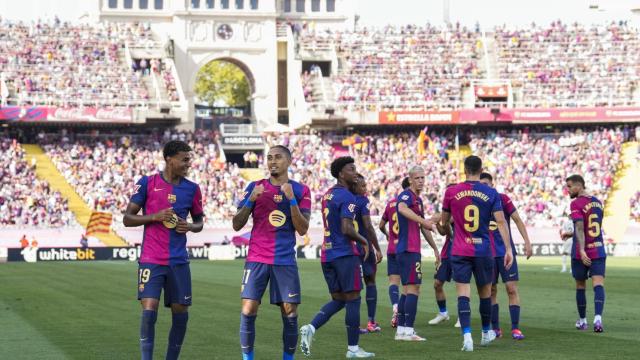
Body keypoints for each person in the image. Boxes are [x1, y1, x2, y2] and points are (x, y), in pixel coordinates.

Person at [123, 140, 204, 360]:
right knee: (149, 308)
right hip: (151, 259)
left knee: (180, 310)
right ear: (169, 158)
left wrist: (189, 226)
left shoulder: (192, 189)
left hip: (178, 261)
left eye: (190, 159)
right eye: (184, 159)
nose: (188, 163)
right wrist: (154, 217)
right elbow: (127, 218)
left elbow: (199, 223)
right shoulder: (148, 183)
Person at [232, 145, 311, 360]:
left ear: (288, 161)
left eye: (277, 157)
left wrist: (291, 199)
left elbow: (303, 229)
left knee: (290, 313)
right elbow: (237, 224)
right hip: (256, 258)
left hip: (284, 260)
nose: (272, 161)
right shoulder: (255, 186)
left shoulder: (301, 190)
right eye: (269, 158)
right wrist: (251, 200)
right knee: (248, 310)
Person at [299, 156, 375, 358]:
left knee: (339, 299)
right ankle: (353, 349)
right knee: (353, 299)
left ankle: (311, 327)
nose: (355, 174)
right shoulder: (348, 197)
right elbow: (347, 228)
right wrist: (365, 241)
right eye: (352, 169)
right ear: (342, 173)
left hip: (327, 254)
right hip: (345, 254)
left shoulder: (327, 195)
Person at [440, 155, 513, 352]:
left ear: (464, 170)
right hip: (483, 250)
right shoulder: (491, 193)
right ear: (481, 170)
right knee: (485, 294)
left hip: (460, 249)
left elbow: (444, 223)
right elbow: (500, 222)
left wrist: (445, 230)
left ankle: (467, 337)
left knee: (463, 293)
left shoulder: (451, 192)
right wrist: (508, 249)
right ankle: (486, 332)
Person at [479, 172, 533, 340]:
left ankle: (515, 328)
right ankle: (495, 329)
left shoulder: (503, 198)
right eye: (482, 185)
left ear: (492, 184)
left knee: (511, 288)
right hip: (487, 254)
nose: (485, 188)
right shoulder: (477, 201)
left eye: (487, 184)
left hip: (506, 253)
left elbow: (517, 220)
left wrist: (527, 241)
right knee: (491, 290)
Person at [394, 166, 440, 342]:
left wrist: (435, 248)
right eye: (418, 178)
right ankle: (409, 331)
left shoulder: (418, 200)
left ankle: (401, 330)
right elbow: (402, 208)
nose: (421, 180)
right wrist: (424, 221)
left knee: (407, 290)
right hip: (408, 249)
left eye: (423, 177)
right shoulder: (406, 195)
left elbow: (423, 227)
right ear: (410, 179)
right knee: (414, 289)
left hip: (410, 250)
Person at [566, 174, 606, 333]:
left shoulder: (575, 203)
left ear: (578, 186)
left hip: (580, 251)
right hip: (598, 249)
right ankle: (598, 319)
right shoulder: (598, 202)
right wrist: (571, 235)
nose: (568, 189)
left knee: (580, 285)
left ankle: (583, 321)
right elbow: (593, 227)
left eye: (569, 186)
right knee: (598, 284)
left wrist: (582, 250)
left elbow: (582, 228)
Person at [350, 173, 383, 333]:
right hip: (365, 248)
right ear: (354, 186)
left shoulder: (345, 200)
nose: (365, 189)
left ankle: (354, 325)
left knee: (352, 288)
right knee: (370, 282)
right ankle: (371, 322)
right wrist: (377, 248)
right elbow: (368, 226)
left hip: (348, 248)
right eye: (362, 186)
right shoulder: (363, 201)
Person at [379, 177, 409, 328]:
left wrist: (387, 235)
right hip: (405, 247)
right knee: (408, 285)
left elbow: (381, 225)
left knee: (393, 282)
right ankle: (404, 317)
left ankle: (395, 307)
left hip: (392, 247)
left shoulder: (391, 204)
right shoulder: (410, 202)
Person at [429, 185, 460, 328]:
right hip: (447, 251)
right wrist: (437, 224)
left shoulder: (461, 209)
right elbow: (444, 232)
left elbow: (451, 225)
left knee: (461, 285)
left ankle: (462, 316)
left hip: (460, 251)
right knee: (437, 284)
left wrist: (441, 219)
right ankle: (443, 313)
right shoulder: (447, 211)